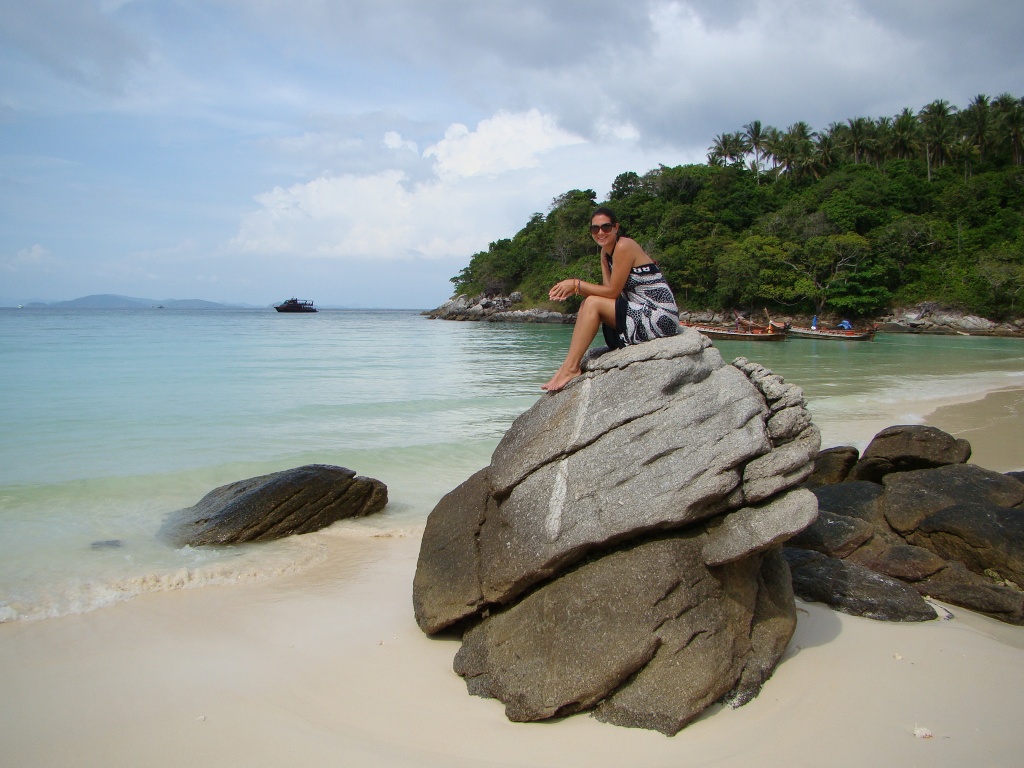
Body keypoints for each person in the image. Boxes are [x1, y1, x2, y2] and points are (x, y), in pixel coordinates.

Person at [541, 207, 679, 392]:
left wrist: (576, 285)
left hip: (660, 316)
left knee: (592, 302)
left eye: (605, 227)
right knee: (588, 302)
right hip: (638, 311)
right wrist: (604, 261)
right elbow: (609, 292)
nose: (600, 232)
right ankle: (568, 365)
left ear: (616, 227)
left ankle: (571, 368)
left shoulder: (624, 246)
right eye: (595, 228)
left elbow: (612, 292)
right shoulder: (607, 253)